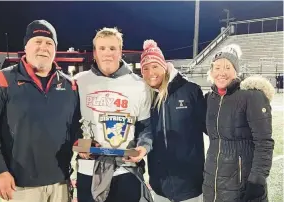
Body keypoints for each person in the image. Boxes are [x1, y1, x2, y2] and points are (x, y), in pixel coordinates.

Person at [0, 20, 81, 202]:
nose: (43, 47)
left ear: (55, 49)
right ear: (26, 46)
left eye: (49, 43)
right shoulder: (2, 80)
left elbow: (75, 127)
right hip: (20, 185)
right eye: (37, 42)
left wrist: (84, 145)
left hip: (60, 183)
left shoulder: (69, 85)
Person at [74, 27, 153, 202]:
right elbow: (70, 124)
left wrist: (143, 147)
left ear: (120, 51)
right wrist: (80, 143)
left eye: (112, 48)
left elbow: (145, 127)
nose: (107, 53)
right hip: (89, 169)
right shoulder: (79, 81)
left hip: (126, 169)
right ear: (94, 52)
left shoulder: (139, 85)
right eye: (101, 48)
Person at [203, 44, 275, 202]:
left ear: (236, 71)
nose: (222, 72)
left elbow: (264, 143)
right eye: (217, 67)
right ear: (211, 71)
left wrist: (257, 181)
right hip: (212, 184)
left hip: (241, 184)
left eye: (228, 67)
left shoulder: (251, 96)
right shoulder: (210, 99)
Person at [140, 40, 206, 202]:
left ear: (164, 66)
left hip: (190, 185)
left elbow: (212, 128)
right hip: (160, 185)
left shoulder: (190, 91)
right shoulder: (146, 97)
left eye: (155, 66)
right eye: (145, 69)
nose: (151, 73)